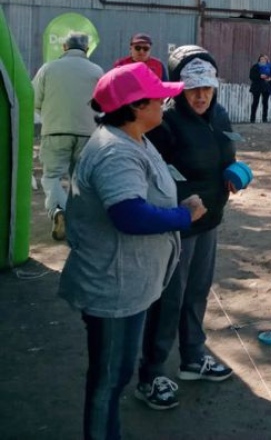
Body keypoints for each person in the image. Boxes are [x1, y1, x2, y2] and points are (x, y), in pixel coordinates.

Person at [58, 63, 205, 440]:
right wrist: (181, 215)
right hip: (113, 285)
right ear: (138, 105)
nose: (164, 103)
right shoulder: (115, 152)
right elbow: (129, 214)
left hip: (130, 282)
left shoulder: (134, 137)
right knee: (108, 380)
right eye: (158, 97)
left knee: (117, 374)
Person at [136, 45, 238, 410]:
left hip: (209, 219)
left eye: (207, 88)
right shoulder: (164, 122)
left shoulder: (220, 116)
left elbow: (227, 153)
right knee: (168, 299)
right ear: (177, 86)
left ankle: (193, 357)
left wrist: (233, 173)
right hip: (177, 226)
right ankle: (151, 373)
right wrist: (178, 202)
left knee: (197, 292)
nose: (200, 95)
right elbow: (150, 173)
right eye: (193, 87)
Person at [32, 32, 104, 240]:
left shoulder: (48, 69)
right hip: (88, 133)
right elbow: (104, 102)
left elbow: (33, 99)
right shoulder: (97, 71)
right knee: (80, 179)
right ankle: (80, 222)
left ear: (64, 47)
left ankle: (58, 210)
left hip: (55, 130)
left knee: (52, 176)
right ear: (87, 49)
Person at [248, 54, 271, 123]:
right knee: (255, 102)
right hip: (257, 87)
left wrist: (270, 79)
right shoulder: (255, 67)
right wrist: (260, 76)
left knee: (265, 103)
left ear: (266, 60)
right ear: (259, 60)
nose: (263, 60)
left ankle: (264, 118)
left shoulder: (270, 67)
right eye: (261, 59)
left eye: (264, 59)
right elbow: (251, 76)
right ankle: (252, 119)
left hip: (266, 87)